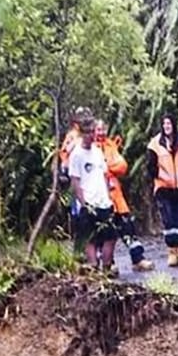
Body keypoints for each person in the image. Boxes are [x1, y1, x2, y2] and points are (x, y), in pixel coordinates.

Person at [91, 118, 155, 273]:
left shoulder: (110, 145)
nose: (101, 132)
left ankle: (138, 259)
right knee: (104, 233)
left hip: (116, 197)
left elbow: (122, 166)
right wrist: (105, 169)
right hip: (99, 197)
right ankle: (109, 264)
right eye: (98, 129)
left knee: (128, 228)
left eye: (103, 129)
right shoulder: (89, 149)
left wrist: (106, 168)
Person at [67, 113, 119, 273]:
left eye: (93, 132)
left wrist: (109, 197)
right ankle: (93, 265)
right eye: (88, 132)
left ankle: (107, 266)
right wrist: (83, 203)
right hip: (88, 201)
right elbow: (75, 180)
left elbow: (104, 174)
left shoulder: (97, 151)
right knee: (90, 238)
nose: (92, 135)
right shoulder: (76, 154)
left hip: (103, 200)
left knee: (110, 236)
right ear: (82, 134)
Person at [147, 113, 178, 267]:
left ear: (174, 125)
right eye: (164, 124)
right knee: (169, 221)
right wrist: (161, 176)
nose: (167, 126)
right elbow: (150, 167)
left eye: (169, 123)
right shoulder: (155, 144)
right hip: (164, 188)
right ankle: (171, 252)